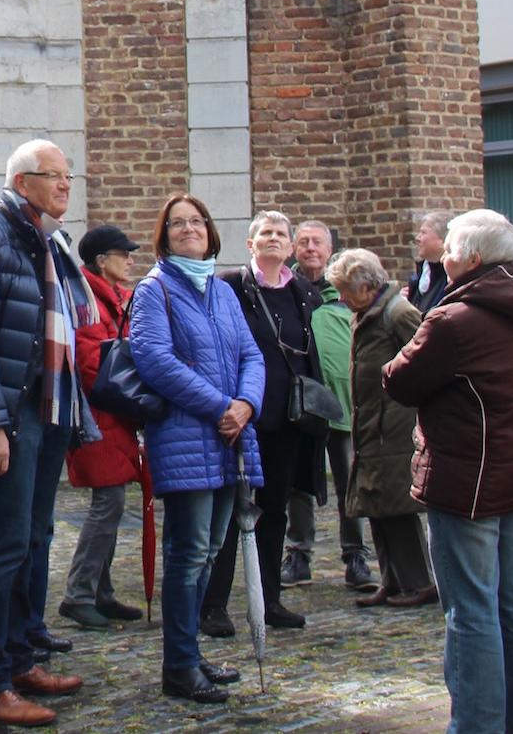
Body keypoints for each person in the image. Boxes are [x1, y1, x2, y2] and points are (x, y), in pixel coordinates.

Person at [0, 139, 96, 727]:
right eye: (52, 176)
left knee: (34, 539)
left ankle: (22, 657)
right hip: (13, 414)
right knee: (3, 546)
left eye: (67, 176)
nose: (64, 185)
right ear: (20, 181)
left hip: (49, 407)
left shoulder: (46, 240)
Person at [384, 209, 513, 734]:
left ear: (474, 258)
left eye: (452, 248)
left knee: (472, 612)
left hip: (467, 480)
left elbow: (400, 381)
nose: (444, 256)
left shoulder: (454, 319)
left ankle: (477, 726)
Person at [129, 192, 263, 705]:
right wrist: (220, 407)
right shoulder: (154, 289)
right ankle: (179, 666)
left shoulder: (223, 290)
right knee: (187, 557)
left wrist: (246, 404)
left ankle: (191, 652)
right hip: (188, 436)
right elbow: (155, 360)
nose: (189, 229)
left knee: (210, 551)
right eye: (178, 223)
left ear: (210, 230)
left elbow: (251, 353)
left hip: (232, 438)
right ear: (164, 236)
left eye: (196, 221)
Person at [201, 211, 322, 632]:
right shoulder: (230, 287)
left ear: (289, 247)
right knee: (229, 512)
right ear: (250, 244)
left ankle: (269, 600)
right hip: (242, 416)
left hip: (288, 419)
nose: (274, 239)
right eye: (265, 233)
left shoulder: (304, 293)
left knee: (274, 510)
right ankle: (213, 605)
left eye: (281, 234)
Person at [326, 247, 436, 609]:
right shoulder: (367, 312)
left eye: (345, 289)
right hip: (372, 423)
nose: (341, 298)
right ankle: (391, 579)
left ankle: (419, 582)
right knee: (377, 503)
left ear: (366, 285)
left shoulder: (399, 313)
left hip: (395, 428)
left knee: (399, 507)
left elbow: (425, 362)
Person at [58, 224, 152, 629]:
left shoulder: (115, 298)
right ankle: (79, 593)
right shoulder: (87, 300)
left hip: (115, 414)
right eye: (123, 253)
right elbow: (92, 364)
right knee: (108, 502)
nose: (130, 260)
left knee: (112, 502)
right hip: (99, 415)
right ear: (102, 260)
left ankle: (101, 591)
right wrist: (140, 395)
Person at [282, 220, 374, 592]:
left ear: (329, 247)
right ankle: (298, 553)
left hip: (342, 404)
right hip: (300, 402)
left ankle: (356, 555)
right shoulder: (283, 289)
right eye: (302, 242)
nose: (309, 249)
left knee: (350, 478)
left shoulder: (345, 293)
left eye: (316, 242)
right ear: (293, 249)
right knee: (298, 482)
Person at [406, 210, 452, 314]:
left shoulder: (452, 277)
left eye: (423, 233)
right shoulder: (421, 273)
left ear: (442, 240)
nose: (418, 238)